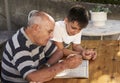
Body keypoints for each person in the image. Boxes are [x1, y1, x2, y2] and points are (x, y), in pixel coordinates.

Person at [1, 10, 82, 83]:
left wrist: (46, 65)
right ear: (36, 28)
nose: (51, 36)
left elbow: (59, 52)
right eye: (49, 31)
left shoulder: (38, 38)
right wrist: (65, 65)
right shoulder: (19, 45)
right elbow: (33, 78)